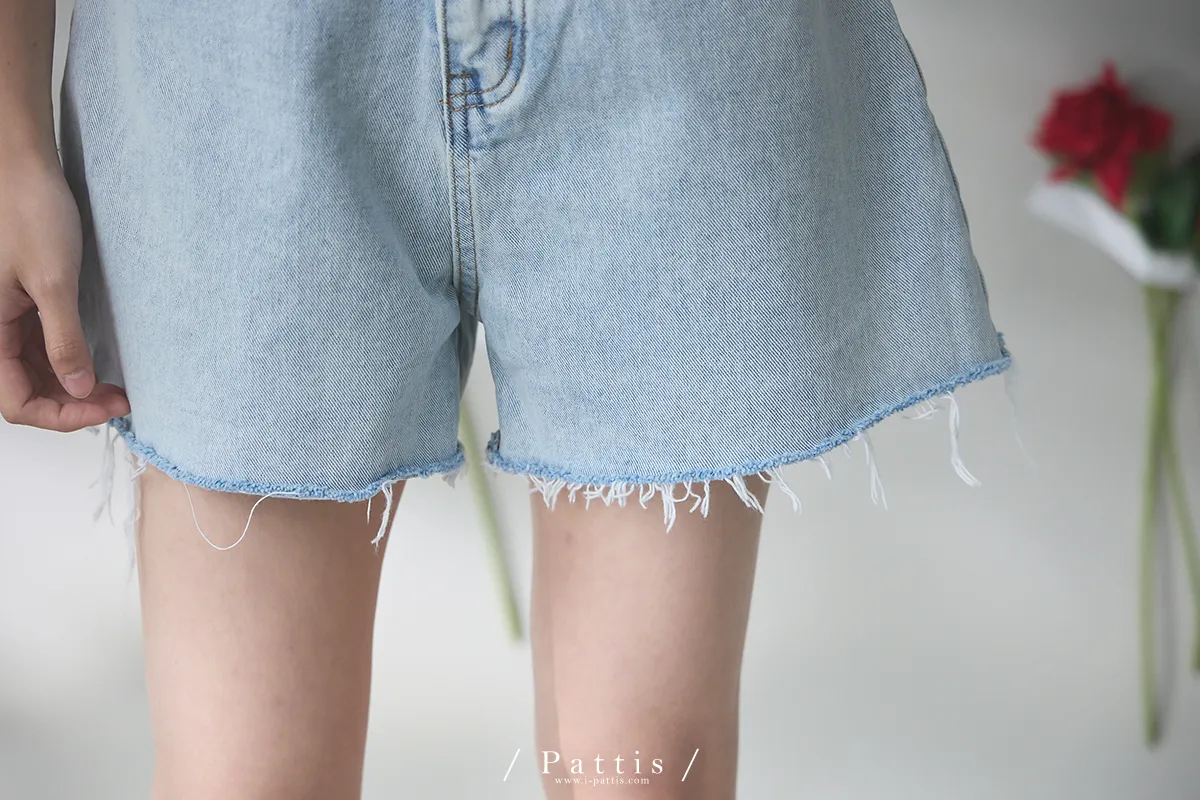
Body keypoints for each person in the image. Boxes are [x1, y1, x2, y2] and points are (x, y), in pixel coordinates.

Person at [0, 1, 1011, 797]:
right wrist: (8, 140)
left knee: (644, 769)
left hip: (668, 45)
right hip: (243, 64)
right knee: (248, 777)